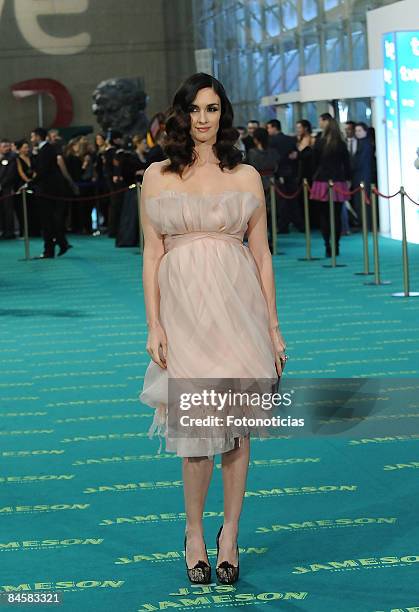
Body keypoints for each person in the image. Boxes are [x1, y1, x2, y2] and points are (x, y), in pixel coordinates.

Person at [139, 72, 287, 585]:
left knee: (235, 431)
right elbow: (152, 253)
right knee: (197, 432)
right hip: (185, 315)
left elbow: (263, 255)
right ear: (182, 116)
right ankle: (195, 532)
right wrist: (154, 323)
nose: (205, 119)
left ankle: (230, 534)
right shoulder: (158, 175)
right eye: (196, 110)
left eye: (213, 109)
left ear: (223, 114)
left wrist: (272, 326)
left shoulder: (245, 175)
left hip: (238, 310)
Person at [311, 118, 352, 257]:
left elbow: (314, 162)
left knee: (324, 216)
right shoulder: (341, 144)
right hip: (338, 182)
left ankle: (327, 245)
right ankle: (336, 246)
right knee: (337, 216)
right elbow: (347, 164)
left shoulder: (319, 143)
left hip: (321, 181)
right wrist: (348, 180)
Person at [30, 127, 72, 258]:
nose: (31, 139)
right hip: (49, 189)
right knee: (51, 220)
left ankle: (51, 248)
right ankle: (60, 243)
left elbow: (42, 171)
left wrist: (29, 183)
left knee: (48, 220)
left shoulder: (46, 150)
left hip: (48, 190)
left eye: (32, 136)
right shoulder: (44, 150)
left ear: (37, 136)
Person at [266, 119, 304, 233]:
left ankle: (283, 226)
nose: (268, 130)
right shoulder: (290, 139)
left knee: (281, 203)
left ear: (274, 127)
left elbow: (274, 159)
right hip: (291, 173)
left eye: (268, 128)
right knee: (292, 201)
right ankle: (300, 224)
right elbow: (295, 155)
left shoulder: (271, 141)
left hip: (278, 174)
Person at [246, 127, 280, 251]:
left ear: (255, 139)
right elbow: (277, 165)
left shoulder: (252, 152)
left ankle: (262, 239)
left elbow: (250, 167)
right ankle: (271, 238)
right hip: (272, 182)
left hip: (258, 182)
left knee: (259, 213)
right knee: (272, 212)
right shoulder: (274, 152)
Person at [0, 138, 17, 239]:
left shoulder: (12, 157)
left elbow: (10, 174)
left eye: (7, 146)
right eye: (4, 147)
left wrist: (1, 184)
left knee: (8, 210)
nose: (6, 148)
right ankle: (3, 230)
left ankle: (9, 232)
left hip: (7, 188)